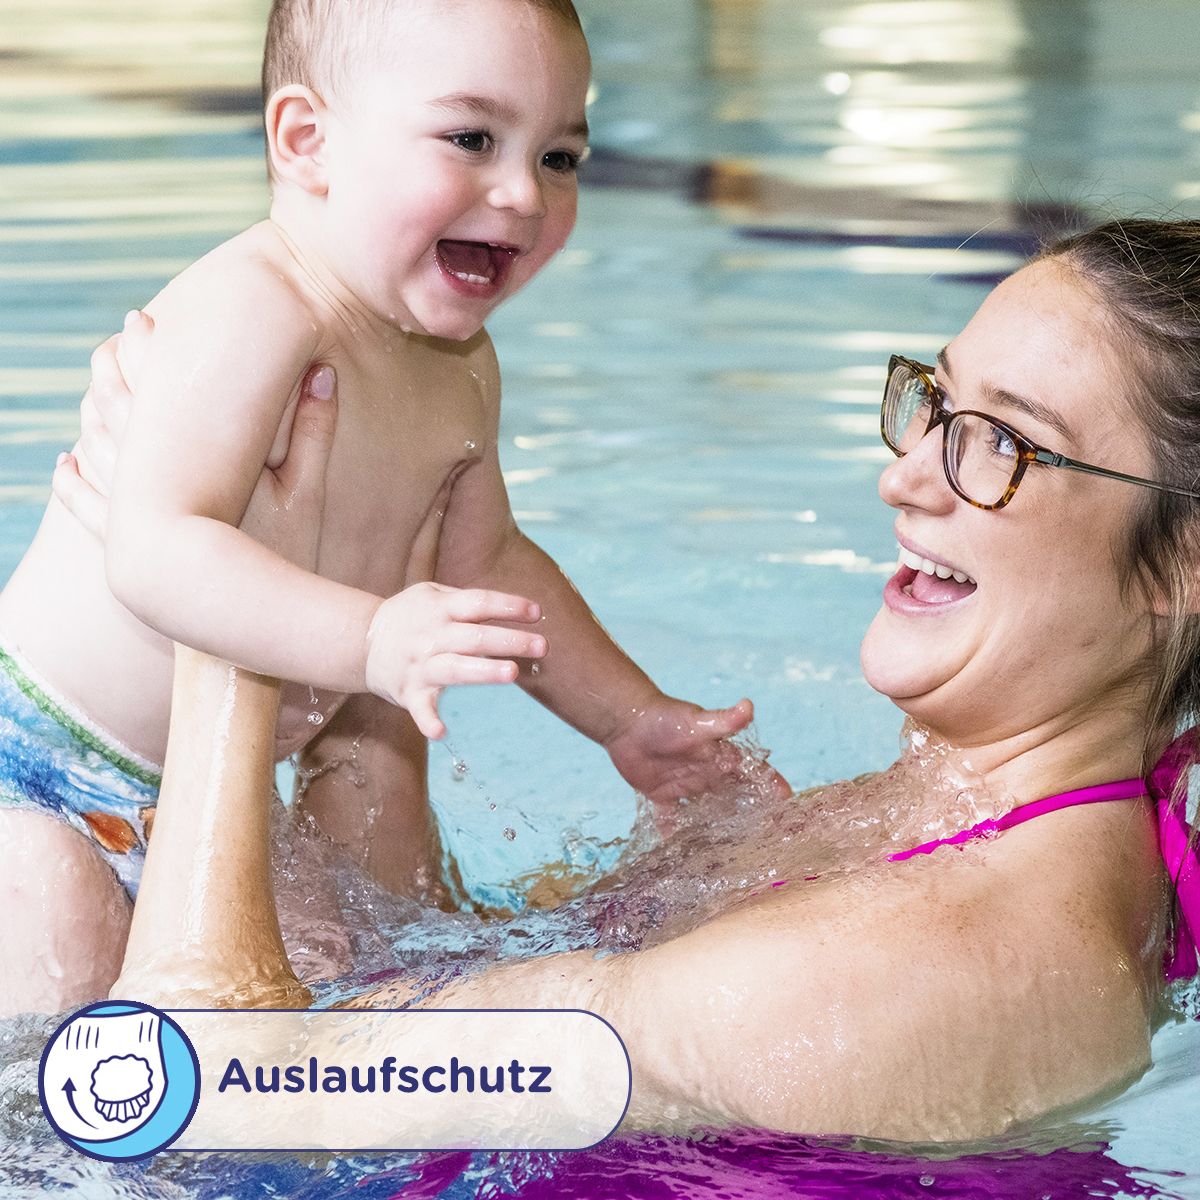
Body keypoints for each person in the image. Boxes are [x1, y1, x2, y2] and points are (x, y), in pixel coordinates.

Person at [98, 218, 1200, 1140]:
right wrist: (364, 586)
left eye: (1004, 443)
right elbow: (411, 965)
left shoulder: (903, 964)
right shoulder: (985, 834)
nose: (903, 476)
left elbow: (186, 1098)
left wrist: (228, 619)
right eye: (937, 406)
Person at [0, 0, 781, 1016]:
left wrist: (627, 721)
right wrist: (372, 638)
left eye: (559, 157)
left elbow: (488, 558)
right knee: (57, 950)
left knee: (343, 971)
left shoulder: (462, 367)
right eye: (471, 138)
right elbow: (155, 551)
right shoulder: (259, 308)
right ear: (306, 140)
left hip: (193, 797)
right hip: (40, 770)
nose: (522, 194)